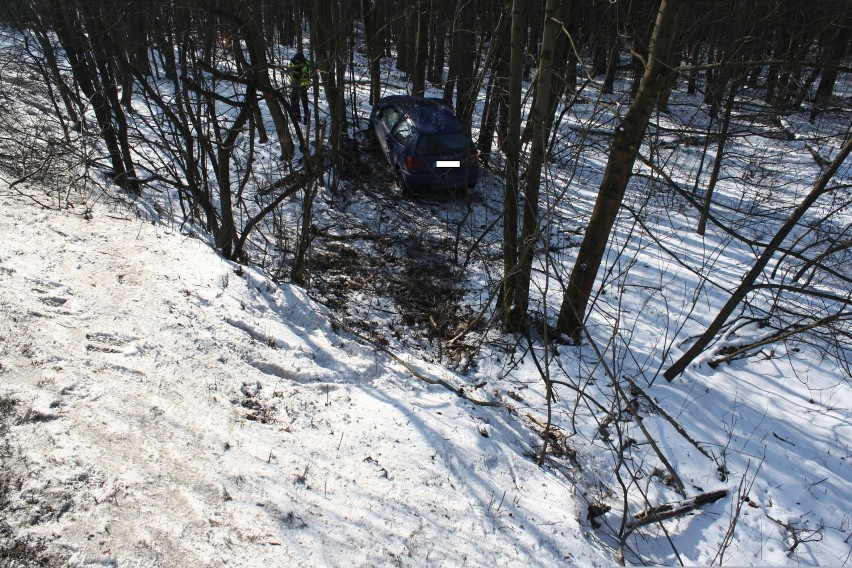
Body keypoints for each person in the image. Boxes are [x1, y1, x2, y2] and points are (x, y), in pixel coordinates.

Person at [288, 51, 310, 125]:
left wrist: (305, 77)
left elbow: (308, 73)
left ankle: (306, 117)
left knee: (304, 100)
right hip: (295, 83)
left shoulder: (306, 63)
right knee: (294, 99)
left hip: (303, 84)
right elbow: (289, 71)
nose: (298, 62)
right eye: (297, 60)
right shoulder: (292, 62)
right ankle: (296, 115)